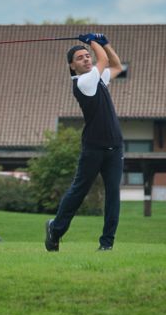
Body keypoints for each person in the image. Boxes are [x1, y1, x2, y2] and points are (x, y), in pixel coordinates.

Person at [45, 33, 124, 252]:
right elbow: (104, 61)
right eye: (80, 58)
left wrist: (105, 43)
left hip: (115, 147)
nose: (86, 59)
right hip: (93, 148)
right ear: (72, 66)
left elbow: (116, 65)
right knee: (79, 191)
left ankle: (106, 244)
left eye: (87, 56)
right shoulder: (83, 82)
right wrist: (92, 42)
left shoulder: (97, 79)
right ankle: (55, 230)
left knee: (113, 195)